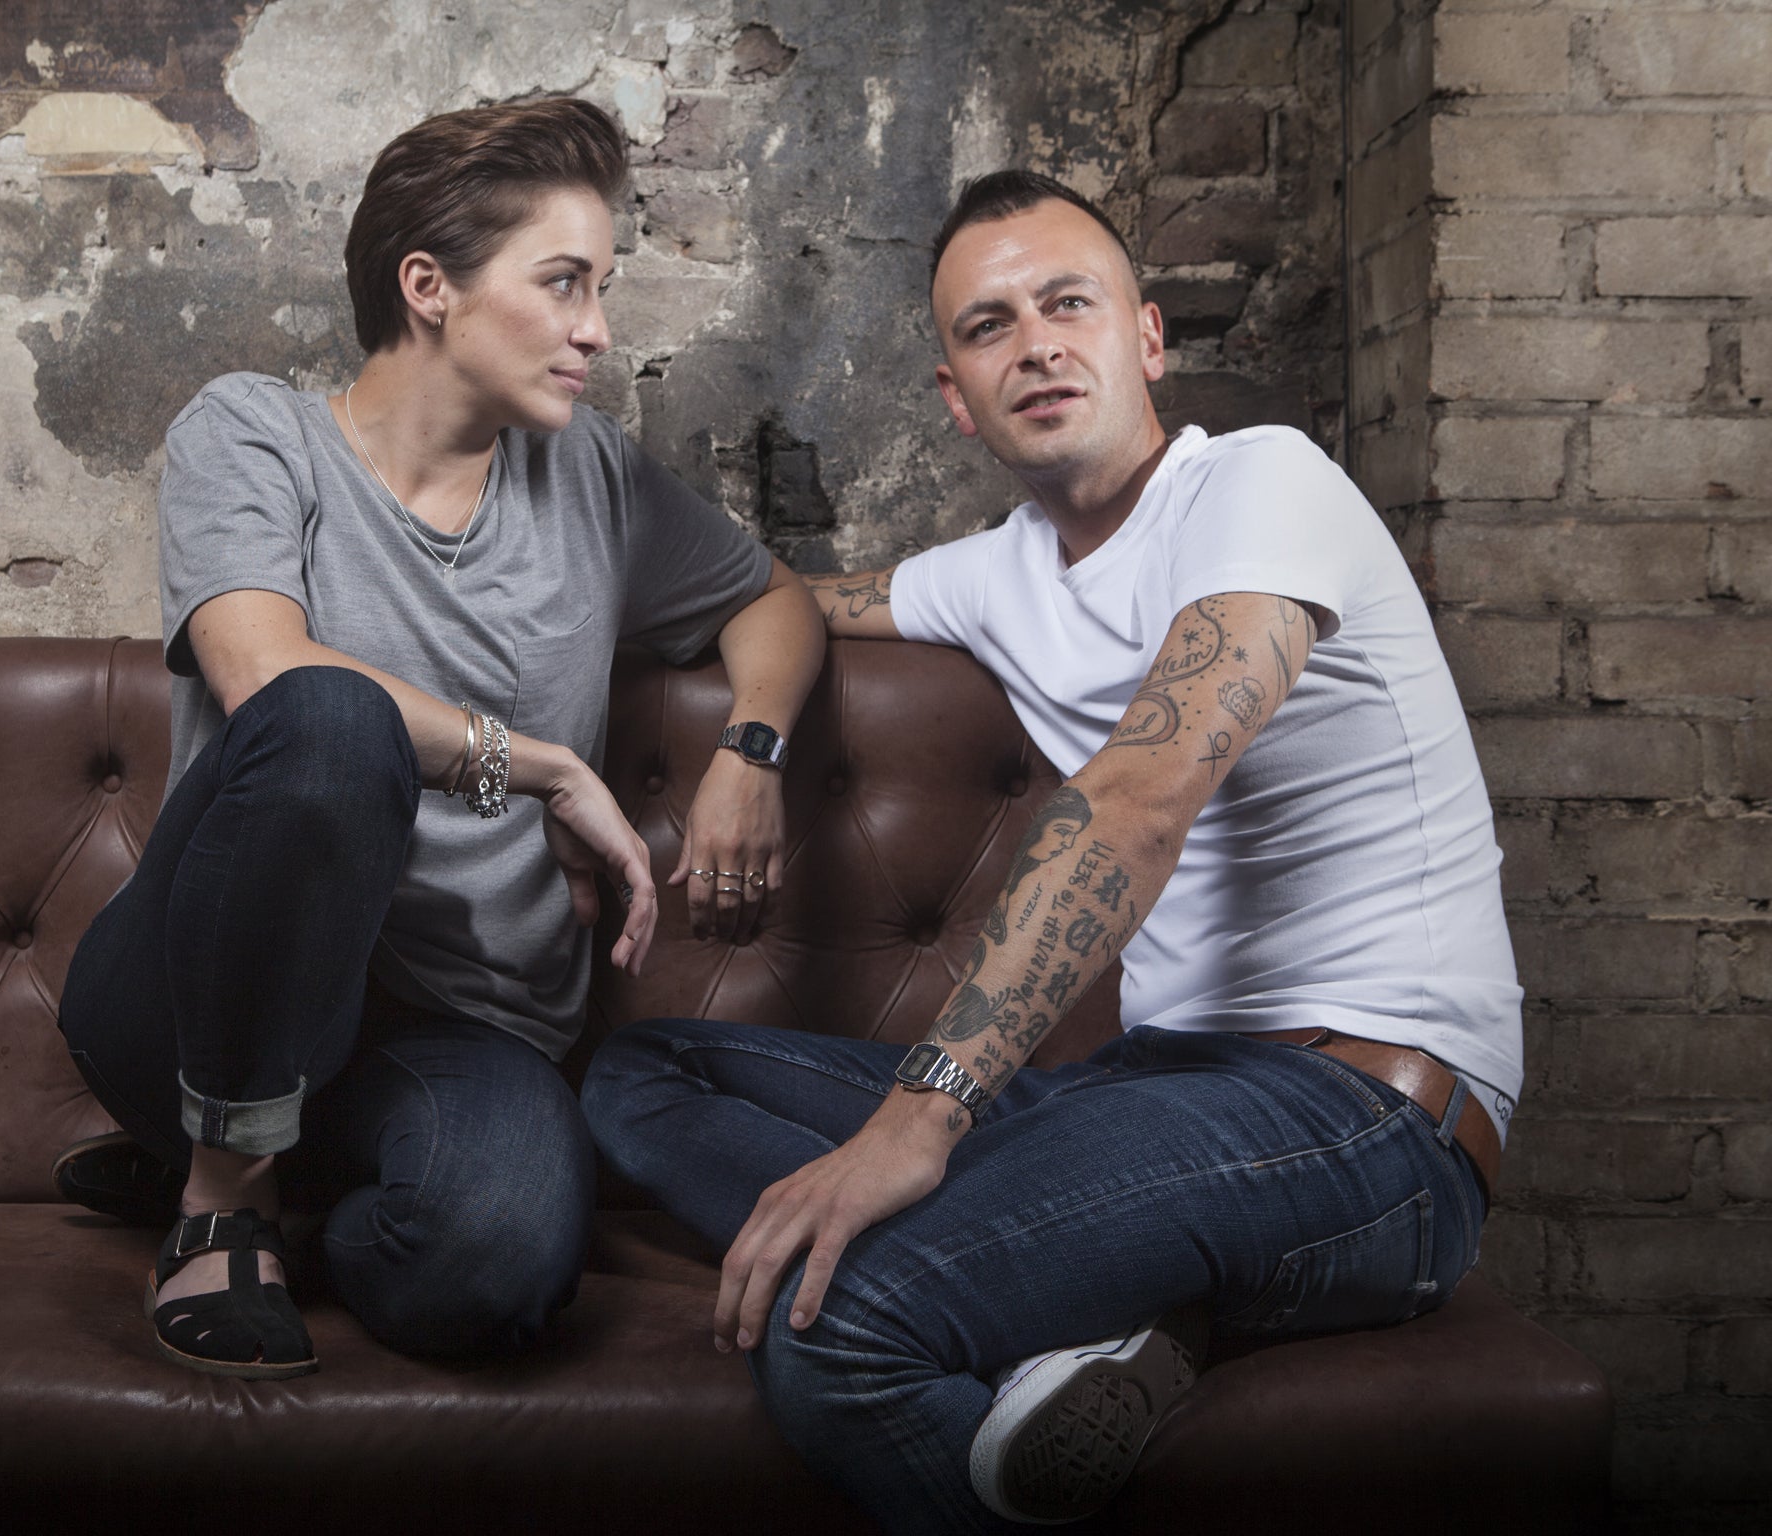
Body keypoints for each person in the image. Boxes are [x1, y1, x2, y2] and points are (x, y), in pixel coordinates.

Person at [581, 169, 1521, 1531]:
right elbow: (761, 604)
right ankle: (1091, 1318)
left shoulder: (1263, 488)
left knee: (842, 1336)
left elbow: (1141, 793)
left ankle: (1055, 1296)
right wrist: (747, 738)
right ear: (957, 397)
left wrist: (917, 1123)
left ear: (1145, 340)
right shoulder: (995, 573)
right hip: (1150, 1097)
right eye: (989, 324)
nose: (1035, 342)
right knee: (641, 1074)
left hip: (1367, 1123)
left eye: (1068, 302)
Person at [53, 97, 824, 1380]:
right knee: (328, 718)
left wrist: (750, 754)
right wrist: (544, 765)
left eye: (603, 286)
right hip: (199, 994)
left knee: (499, 1272)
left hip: (461, 1030)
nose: (598, 329)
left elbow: (771, 600)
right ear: (430, 287)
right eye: (563, 283)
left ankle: (265, 1189)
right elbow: (265, 675)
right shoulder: (253, 434)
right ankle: (225, 1193)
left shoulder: (594, 480)